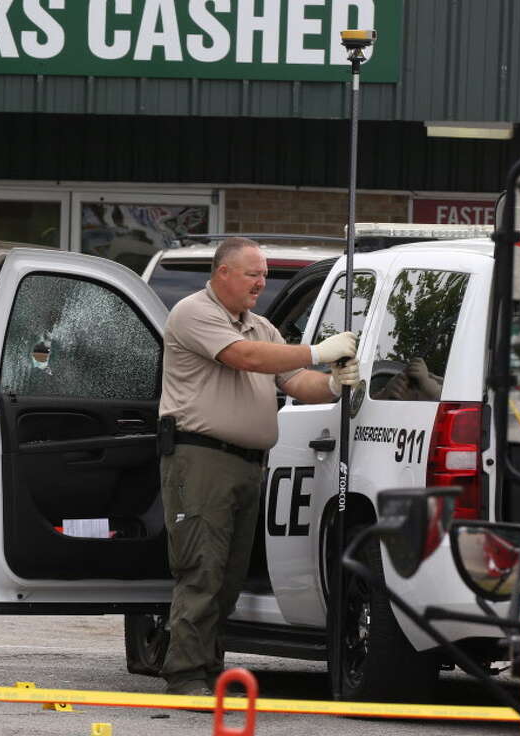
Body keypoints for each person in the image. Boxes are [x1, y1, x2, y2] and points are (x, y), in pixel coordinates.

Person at [157, 237, 359, 697]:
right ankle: (185, 675)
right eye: (253, 274)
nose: (261, 282)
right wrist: (316, 351)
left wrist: (333, 383)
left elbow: (294, 381)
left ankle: (209, 670)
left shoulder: (261, 327)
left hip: (248, 466)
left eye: (264, 274)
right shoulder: (195, 313)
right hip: (201, 459)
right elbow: (244, 358)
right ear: (223, 273)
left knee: (227, 579)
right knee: (201, 569)